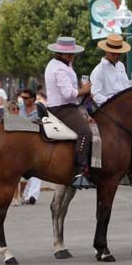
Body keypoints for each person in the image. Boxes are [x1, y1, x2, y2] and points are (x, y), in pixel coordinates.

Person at [45, 36, 93, 189]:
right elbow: (67, 94)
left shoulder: (61, 64)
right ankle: (79, 172)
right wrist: (84, 90)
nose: (72, 56)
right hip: (62, 108)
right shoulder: (60, 68)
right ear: (60, 54)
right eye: (69, 54)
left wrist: (80, 89)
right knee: (85, 132)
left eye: (72, 54)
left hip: (64, 106)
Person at [90, 33, 132, 106]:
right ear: (106, 51)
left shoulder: (120, 65)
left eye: (119, 54)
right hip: (108, 108)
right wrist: (112, 101)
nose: (116, 56)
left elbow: (126, 85)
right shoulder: (99, 70)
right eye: (113, 53)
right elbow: (95, 95)